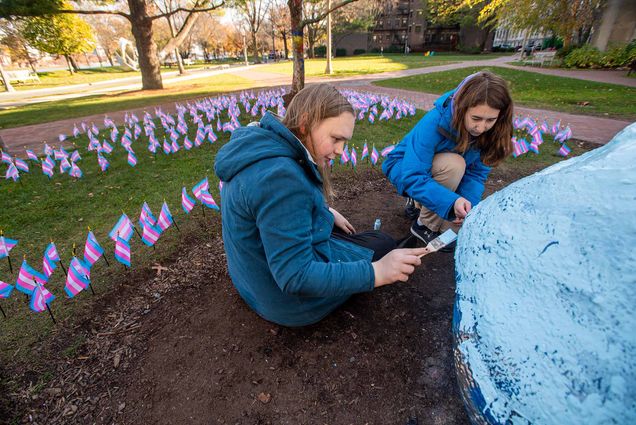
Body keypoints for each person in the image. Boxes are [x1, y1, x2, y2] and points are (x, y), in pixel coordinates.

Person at [214, 84, 428, 327]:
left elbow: (273, 213)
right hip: (286, 303)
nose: (340, 151)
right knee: (383, 245)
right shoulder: (281, 179)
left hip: (253, 281)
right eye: (336, 139)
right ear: (306, 123)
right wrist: (377, 272)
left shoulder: (262, 146)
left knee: (360, 238)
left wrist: (323, 211)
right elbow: (296, 276)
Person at [382, 71, 513, 252]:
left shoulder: (493, 132)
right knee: (454, 165)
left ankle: (419, 203)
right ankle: (424, 225)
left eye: (490, 120)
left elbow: (475, 175)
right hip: (404, 167)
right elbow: (413, 174)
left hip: (435, 172)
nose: (481, 128)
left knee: (452, 226)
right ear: (461, 108)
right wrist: (452, 204)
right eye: (476, 118)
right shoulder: (434, 121)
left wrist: (466, 205)